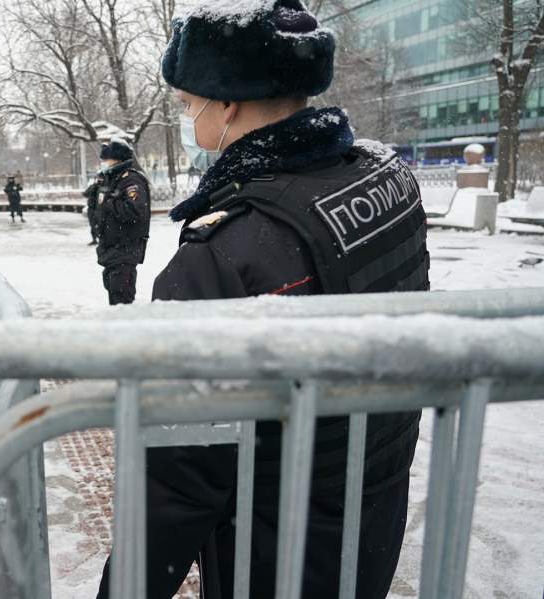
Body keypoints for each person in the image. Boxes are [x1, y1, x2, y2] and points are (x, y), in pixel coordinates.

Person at [97, 2, 427, 598]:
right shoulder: (385, 177)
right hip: (373, 503)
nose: (185, 116)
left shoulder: (219, 254)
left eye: (185, 103)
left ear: (226, 104)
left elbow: (179, 480)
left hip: (273, 545)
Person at [92, 137, 151, 306]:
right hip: (111, 249)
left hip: (125, 248)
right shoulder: (113, 179)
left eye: (107, 159)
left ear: (117, 159)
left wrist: (109, 201)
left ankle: (126, 331)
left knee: (122, 299)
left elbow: (134, 211)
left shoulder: (132, 180)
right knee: (114, 293)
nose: (105, 163)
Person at [83, 173, 102, 245]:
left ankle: (101, 239)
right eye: (97, 179)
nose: (98, 180)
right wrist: (94, 186)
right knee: (92, 225)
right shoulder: (92, 186)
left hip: (99, 209)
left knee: (99, 225)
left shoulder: (102, 187)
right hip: (91, 209)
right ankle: (94, 239)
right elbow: (85, 194)